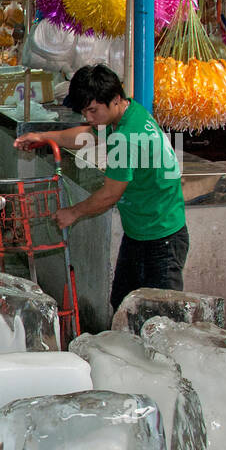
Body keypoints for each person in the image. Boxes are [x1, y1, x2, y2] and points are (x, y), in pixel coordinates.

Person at [15, 63, 187, 313]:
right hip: (141, 231)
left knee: (163, 315)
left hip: (163, 238)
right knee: (124, 304)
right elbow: (87, 133)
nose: (89, 118)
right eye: (86, 111)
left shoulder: (128, 136)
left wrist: (72, 213)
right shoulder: (126, 113)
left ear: (115, 99)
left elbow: (109, 195)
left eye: (93, 110)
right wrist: (44, 137)